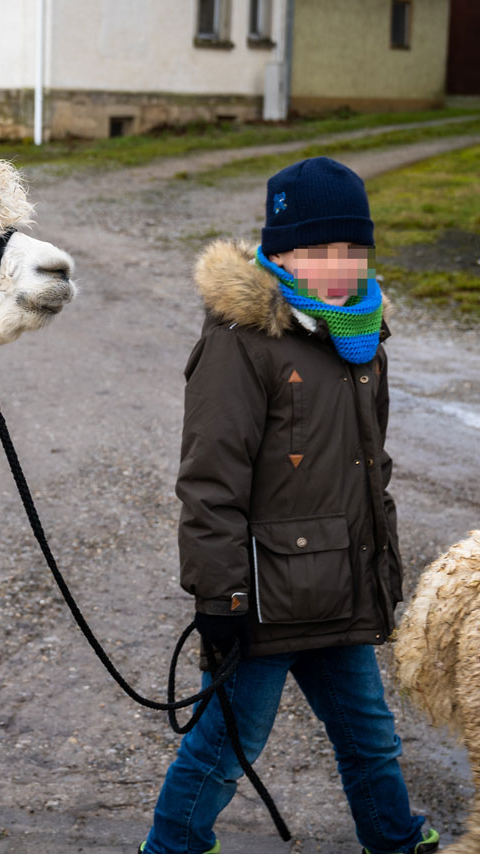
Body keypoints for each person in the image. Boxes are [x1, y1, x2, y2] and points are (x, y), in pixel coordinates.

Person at [140, 157, 437, 854]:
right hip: (265, 599)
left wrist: (377, 567)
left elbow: (371, 468)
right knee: (225, 746)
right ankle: (173, 846)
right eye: (318, 251)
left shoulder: (361, 336)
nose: (338, 266)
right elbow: (210, 483)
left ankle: (395, 841)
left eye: (352, 250)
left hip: (338, 588)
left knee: (371, 736)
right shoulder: (242, 345)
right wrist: (221, 600)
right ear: (278, 253)